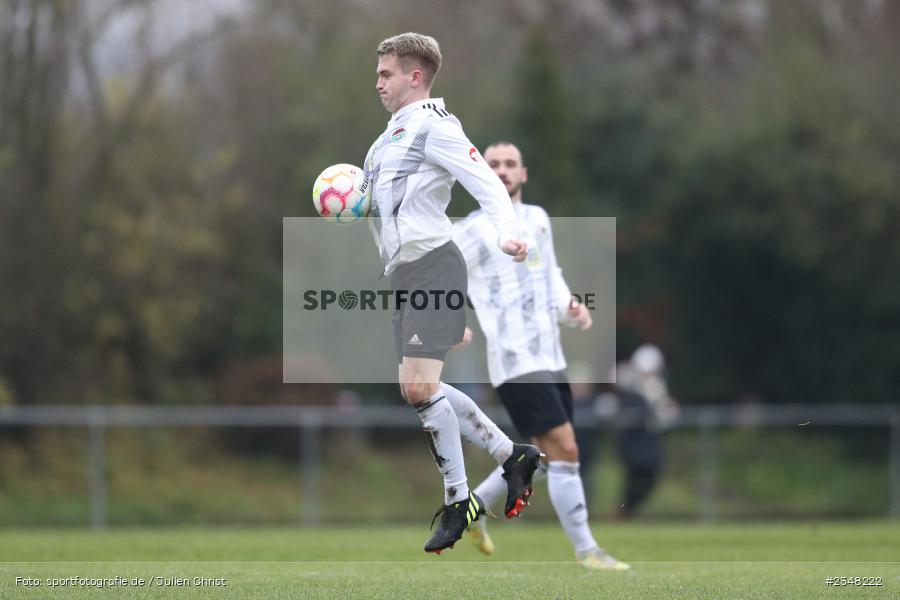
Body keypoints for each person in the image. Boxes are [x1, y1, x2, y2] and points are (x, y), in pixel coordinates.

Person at [363, 33, 543, 555]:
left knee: (420, 390)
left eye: (386, 73)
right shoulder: (383, 141)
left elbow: (485, 181)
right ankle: (513, 456)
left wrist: (509, 230)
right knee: (419, 389)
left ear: (414, 77)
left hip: (433, 266)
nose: (378, 82)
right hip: (406, 275)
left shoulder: (435, 126)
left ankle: (458, 500)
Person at [452, 141, 630, 570]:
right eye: (491, 164)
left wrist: (570, 308)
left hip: (550, 355)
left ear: (523, 173)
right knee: (566, 448)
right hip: (514, 360)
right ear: (480, 173)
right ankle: (588, 552)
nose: (501, 170)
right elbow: (440, 273)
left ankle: (468, 510)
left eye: (510, 163)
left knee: (543, 457)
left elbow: (549, 275)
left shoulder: (538, 221)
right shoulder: (473, 230)